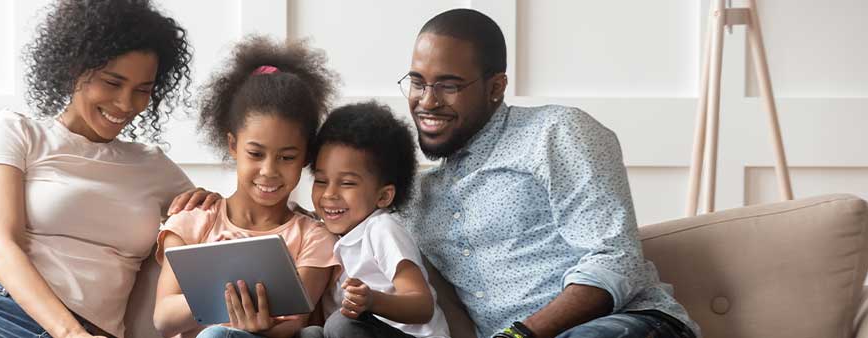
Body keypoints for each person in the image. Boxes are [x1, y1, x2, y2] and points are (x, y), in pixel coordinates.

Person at [398, 8, 700, 338]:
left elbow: (615, 259)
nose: (427, 101)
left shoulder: (556, 133)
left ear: (495, 86)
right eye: (417, 82)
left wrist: (521, 335)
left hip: (629, 323)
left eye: (448, 85)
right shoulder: (413, 196)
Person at [0, 1, 196, 337]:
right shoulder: (16, 132)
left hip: (95, 329)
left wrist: (208, 206)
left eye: (142, 91)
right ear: (75, 68)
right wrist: (69, 334)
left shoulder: (155, 167)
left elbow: (224, 228)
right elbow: (3, 249)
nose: (125, 104)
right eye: (111, 82)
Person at [152, 36, 340, 338]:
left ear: (305, 156)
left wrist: (260, 327)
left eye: (287, 157)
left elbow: (295, 322)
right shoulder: (193, 222)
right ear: (233, 145)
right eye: (255, 154)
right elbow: (164, 318)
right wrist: (227, 299)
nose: (269, 170)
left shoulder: (314, 238)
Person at [297, 102, 450, 338]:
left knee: (340, 325)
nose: (329, 194)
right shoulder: (330, 234)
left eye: (347, 183)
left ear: (383, 196)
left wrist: (373, 301)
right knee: (310, 335)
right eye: (320, 181)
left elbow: (422, 305)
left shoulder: (382, 229)